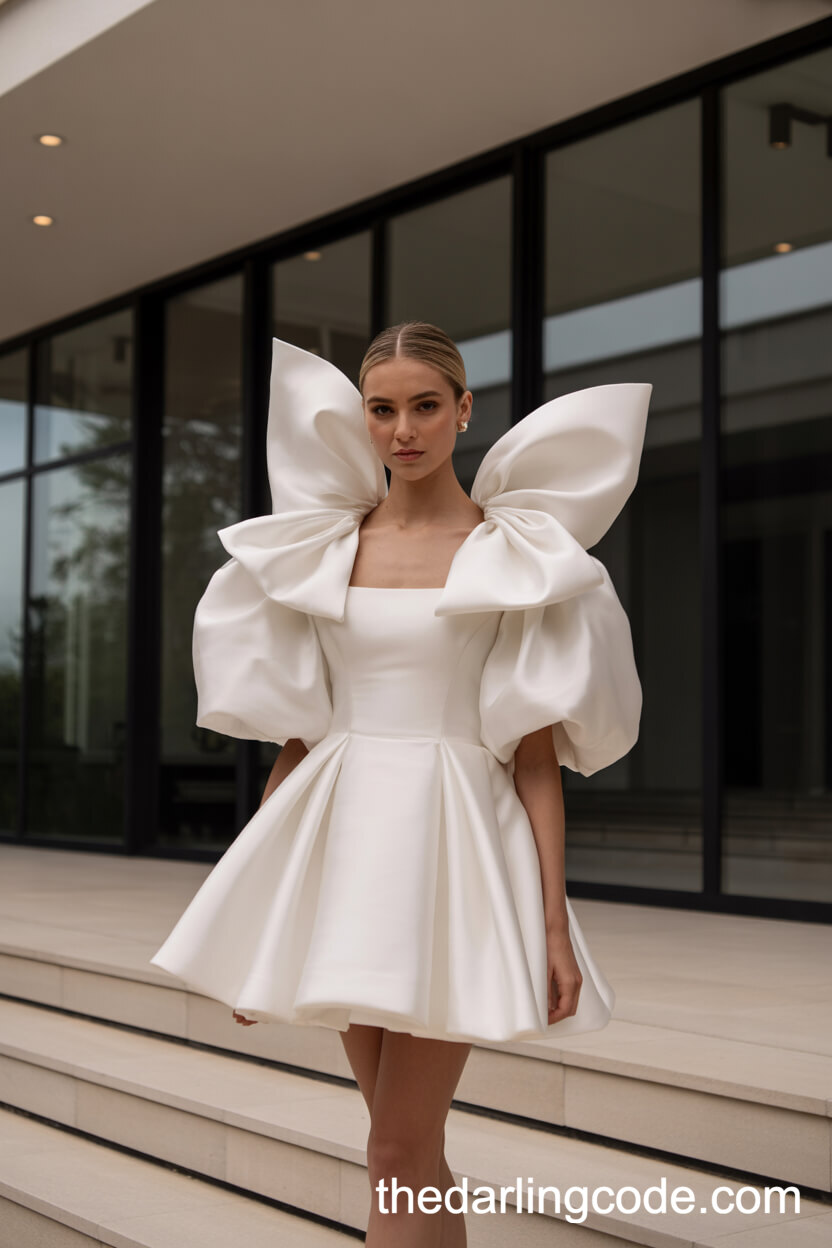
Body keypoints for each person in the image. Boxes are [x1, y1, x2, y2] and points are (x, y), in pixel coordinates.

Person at [150, 322, 651, 1246]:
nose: (403, 429)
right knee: (410, 1154)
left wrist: (551, 924)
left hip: (453, 854)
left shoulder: (512, 554)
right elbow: (299, 745)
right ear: (361, 420)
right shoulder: (326, 548)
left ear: (463, 411)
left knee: (393, 1148)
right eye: (382, 409)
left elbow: (533, 761)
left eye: (426, 406)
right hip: (342, 851)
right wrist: (257, 912)